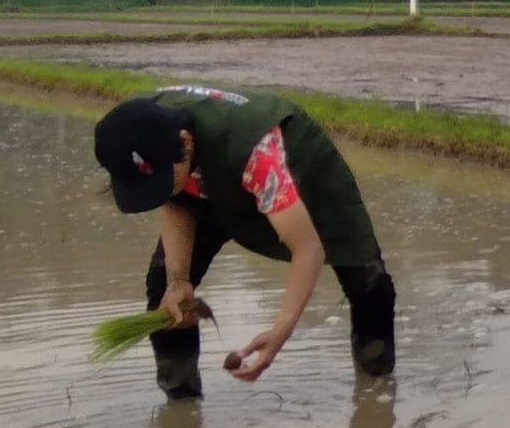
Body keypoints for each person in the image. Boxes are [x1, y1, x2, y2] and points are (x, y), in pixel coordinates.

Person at [93, 85, 398, 398]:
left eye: (161, 183)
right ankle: (182, 405)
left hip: (300, 169)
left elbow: (308, 248)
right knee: (164, 287)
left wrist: (281, 330)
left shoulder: (257, 154)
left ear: (185, 143)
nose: (160, 192)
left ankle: (377, 393)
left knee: (368, 282)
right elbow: (175, 199)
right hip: (204, 185)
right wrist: (178, 280)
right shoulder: (138, 128)